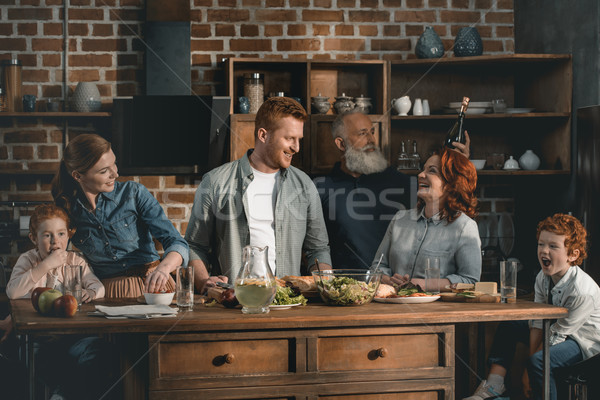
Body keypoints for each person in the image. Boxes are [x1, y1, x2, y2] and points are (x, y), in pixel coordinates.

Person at [185, 97, 332, 292]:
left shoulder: (304, 185)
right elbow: (195, 245)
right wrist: (203, 281)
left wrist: (327, 283)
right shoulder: (215, 182)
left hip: (288, 302)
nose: (296, 147)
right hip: (235, 301)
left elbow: (318, 249)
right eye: (289, 138)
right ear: (263, 135)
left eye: (299, 140)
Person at [464, 213, 600, 400]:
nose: (544, 251)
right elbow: (538, 321)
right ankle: (495, 384)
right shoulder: (543, 278)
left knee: (540, 361)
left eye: (553, 246)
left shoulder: (582, 291)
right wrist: (530, 362)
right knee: (511, 323)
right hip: (555, 329)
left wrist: (529, 370)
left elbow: (557, 336)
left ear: (572, 255)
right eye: (541, 244)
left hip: (583, 341)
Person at [315, 109, 471, 269]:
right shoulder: (321, 187)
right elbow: (314, 246)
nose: (371, 140)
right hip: (345, 287)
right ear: (341, 144)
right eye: (362, 134)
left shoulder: (395, 180)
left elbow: (445, 197)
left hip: (393, 286)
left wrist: (457, 168)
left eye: (372, 132)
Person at [51, 133, 189, 297]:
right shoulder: (66, 210)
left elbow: (176, 241)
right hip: (106, 293)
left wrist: (164, 268)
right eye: (104, 171)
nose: (115, 174)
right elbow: (56, 255)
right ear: (78, 176)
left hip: (153, 287)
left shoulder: (134, 193)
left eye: (114, 164)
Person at [4, 203, 113, 400]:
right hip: (38, 338)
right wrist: (46, 265)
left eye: (61, 234)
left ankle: (63, 394)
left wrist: (91, 292)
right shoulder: (28, 260)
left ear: (69, 235)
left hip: (73, 336)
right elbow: (13, 291)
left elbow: (99, 287)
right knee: (41, 360)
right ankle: (61, 393)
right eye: (47, 235)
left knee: (95, 351)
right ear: (33, 239)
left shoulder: (75, 261)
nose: (55, 241)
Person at [372, 146, 481, 289]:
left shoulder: (465, 227)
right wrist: (388, 280)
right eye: (423, 169)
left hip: (437, 310)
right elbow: (376, 268)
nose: (421, 175)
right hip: (392, 305)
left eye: (432, 171)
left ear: (451, 184)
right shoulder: (399, 219)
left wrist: (422, 284)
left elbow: (470, 280)